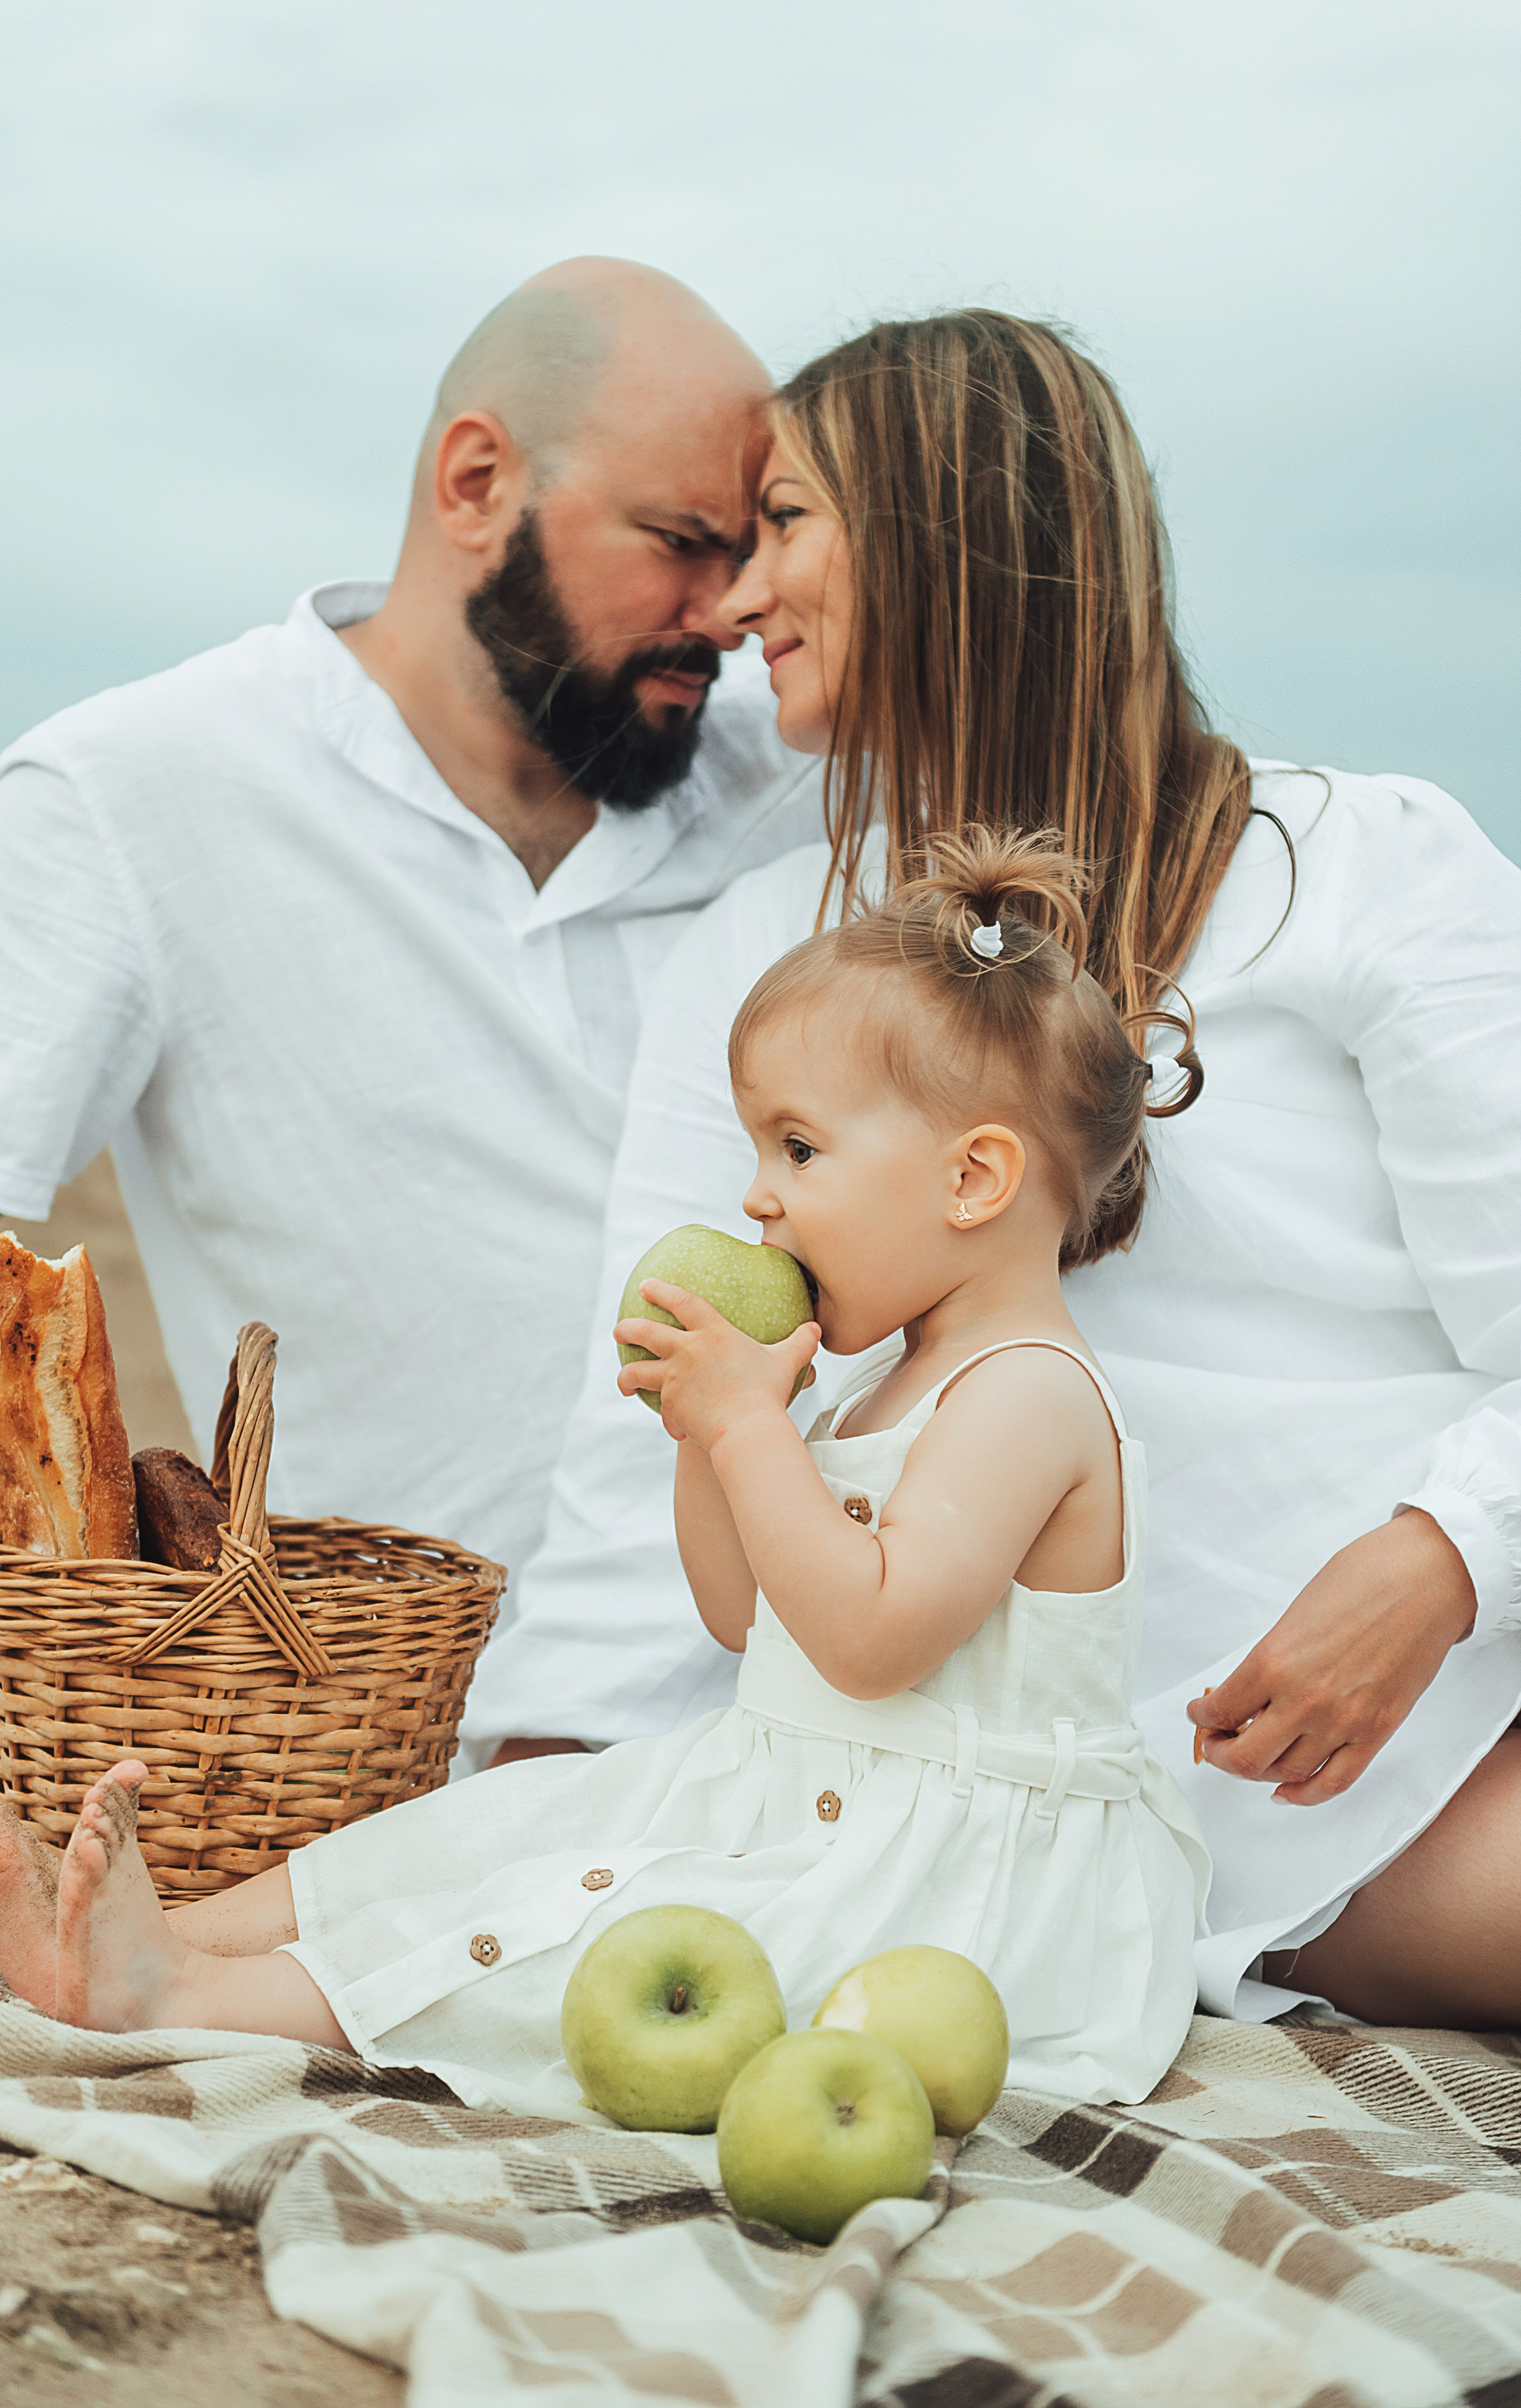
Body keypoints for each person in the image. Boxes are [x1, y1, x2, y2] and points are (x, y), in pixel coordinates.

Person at [466, 307, 1521, 2031]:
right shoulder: (767, 950)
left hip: (1455, 1675)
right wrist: (560, 1783)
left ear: (957, 535)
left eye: (788, 523)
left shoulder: (1363, 871)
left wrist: (1445, 1555)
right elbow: (654, 1405)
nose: (737, 602)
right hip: (1157, 1793)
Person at [0, 829, 1208, 2111]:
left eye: (799, 1150)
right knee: (500, 1826)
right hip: (792, 1789)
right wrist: (703, 1444)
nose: (756, 1200)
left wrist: (747, 1433)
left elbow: (871, 1642)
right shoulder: (875, 1384)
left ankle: (186, 1995)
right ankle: (183, 1929)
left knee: (578, 1933)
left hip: (937, 1880)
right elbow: (746, 1613)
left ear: (973, 1177)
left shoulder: (1028, 1397)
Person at [0, 257, 818, 1605]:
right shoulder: (132, 789)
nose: (729, 613)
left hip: (812, 1708)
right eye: (684, 542)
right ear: (474, 483)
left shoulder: (802, 790)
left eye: (754, 554)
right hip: (382, 1741)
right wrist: (110, 1588)